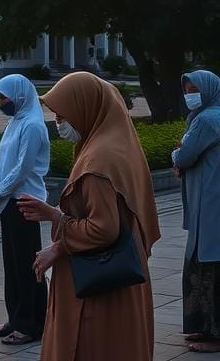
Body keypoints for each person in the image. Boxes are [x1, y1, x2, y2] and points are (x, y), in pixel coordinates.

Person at [17, 71, 160, 361]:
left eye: (63, 114)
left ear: (85, 107)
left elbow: (103, 229)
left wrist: (58, 238)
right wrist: (54, 213)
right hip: (122, 283)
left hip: (99, 292)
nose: (58, 122)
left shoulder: (97, 161)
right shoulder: (118, 145)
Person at [0, 74, 50, 346]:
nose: (1, 102)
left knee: (27, 265)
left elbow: (22, 169)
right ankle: (16, 317)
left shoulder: (33, 125)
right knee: (12, 265)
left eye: (4, 97)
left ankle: (31, 324)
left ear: (20, 95)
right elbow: (2, 162)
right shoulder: (15, 123)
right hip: (9, 202)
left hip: (25, 201)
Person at [173, 69, 220, 353]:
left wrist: (176, 155)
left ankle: (213, 334)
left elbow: (185, 153)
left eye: (194, 90)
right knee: (207, 265)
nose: (189, 96)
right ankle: (204, 329)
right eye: (187, 90)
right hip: (211, 201)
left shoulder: (206, 120)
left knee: (207, 268)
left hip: (209, 204)